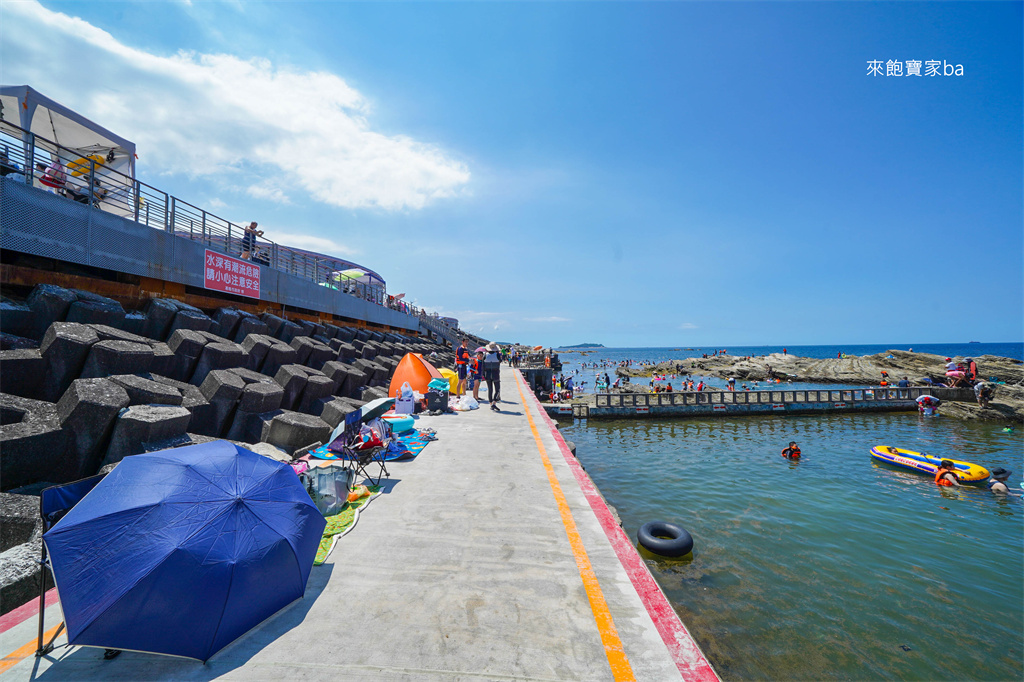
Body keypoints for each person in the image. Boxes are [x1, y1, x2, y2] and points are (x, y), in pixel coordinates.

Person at [483, 342, 502, 411]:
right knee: (498, 389)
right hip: (495, 374)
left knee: (490, 389)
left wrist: (483, 374)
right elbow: (500, 361)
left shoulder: (485, 355)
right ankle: (494, 402)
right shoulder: (497, 355)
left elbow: (483, 365)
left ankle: (491, 404)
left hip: (487, 374)